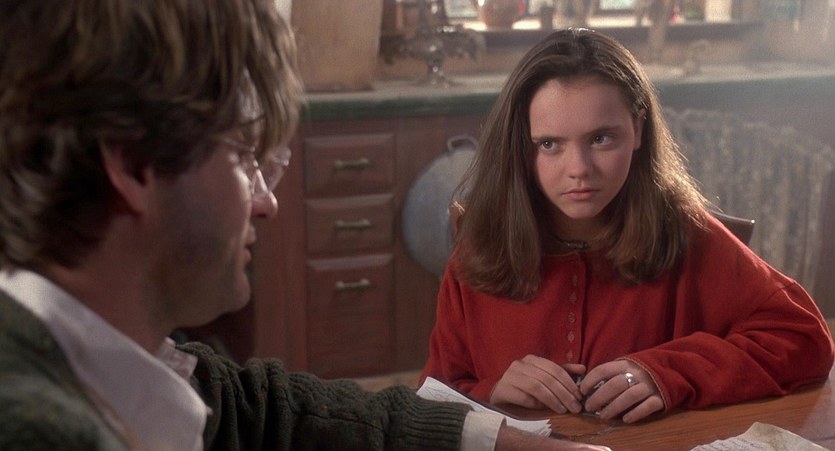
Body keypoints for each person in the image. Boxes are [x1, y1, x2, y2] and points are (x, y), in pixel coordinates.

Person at [0, 1, 611, 450]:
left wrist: (510, 443)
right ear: (135, 165)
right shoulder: (40, 429)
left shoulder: (108, 355)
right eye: (244, 157)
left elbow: (270, 412)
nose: (266, 202)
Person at [421, 28, 835, 425]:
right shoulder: (481, 245)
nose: (579, 169)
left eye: (601, 139)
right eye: (549, 144)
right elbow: (431, 399)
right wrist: (491, 392)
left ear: (638, 129)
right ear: (520, 145)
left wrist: (669, 373)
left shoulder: (686, 234)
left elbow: (805, 339)